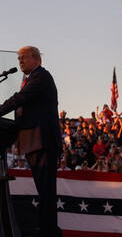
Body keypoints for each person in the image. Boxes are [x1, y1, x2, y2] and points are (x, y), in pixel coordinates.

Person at [0, 46, 62, 237]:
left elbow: (20, 99)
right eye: (18, 58)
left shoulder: (40, 76)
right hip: (34, 141)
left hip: (42, 141)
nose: (19, 61)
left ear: (36, 59)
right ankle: (46, 229)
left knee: (46, 191)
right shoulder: (29, 78)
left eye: (23, 57)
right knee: (43, 190)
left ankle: (48, 231)